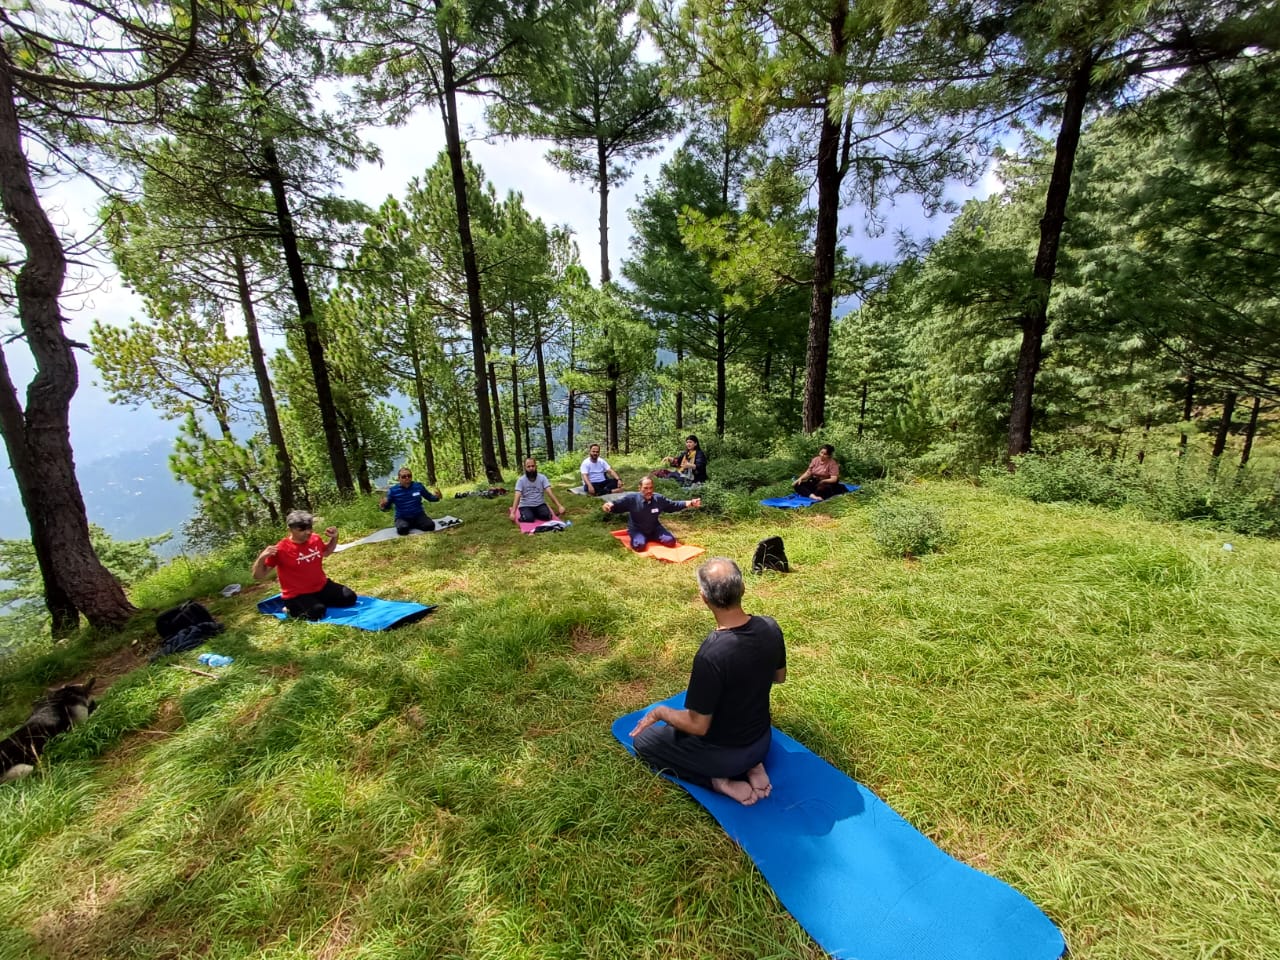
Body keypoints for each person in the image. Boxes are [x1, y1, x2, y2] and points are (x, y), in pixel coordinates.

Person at [630, 557, 786, 806]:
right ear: (742, 588)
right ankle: (754, 765)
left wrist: (660, 712)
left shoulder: (711, 655)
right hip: (761, 742)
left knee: (644, 742)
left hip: (725, 759)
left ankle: (719, 782)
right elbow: (779, 677)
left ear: (704, 597)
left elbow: (698, 726)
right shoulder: (770, 626)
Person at [252, 510, 357, 620]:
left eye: (309, 527)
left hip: (321, 586)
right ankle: (289, 609)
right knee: (318, 612)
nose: (307, 532)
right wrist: (261, 558)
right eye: (301, 529)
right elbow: (258, 576)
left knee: (350, 597)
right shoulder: (281, 549)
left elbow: (326, 552)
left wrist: (334, 537)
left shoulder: (315, 539)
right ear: (290, 529)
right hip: (297, 594)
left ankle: (315, 602)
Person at [603, 475, 701, 549]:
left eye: (651, 488)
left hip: (654, 528)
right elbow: (618, 505)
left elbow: (673, 505)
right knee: (639, 546)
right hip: (637, 529)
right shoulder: (632, 498)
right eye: (645, 488)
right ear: (639, 488)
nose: (649, 491)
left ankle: (651, 537)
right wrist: (609, 506)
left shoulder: (658, 498)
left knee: (671, 542)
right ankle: (642, 538)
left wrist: (691, 503)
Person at [380, 466, 442, 535]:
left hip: (419, 515)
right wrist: (383, 506)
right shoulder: (393, 491)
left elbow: (429, 497)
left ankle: (415, 524)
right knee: (403, 530)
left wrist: (437, 497)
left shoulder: (418, 486)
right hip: (402, 517)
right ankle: (407, 525)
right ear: (399, 478)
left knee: (430, 526)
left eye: (409, 476)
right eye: (404, 476)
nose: (407, 478)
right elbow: (387, 508)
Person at [511, 457, 567, 522]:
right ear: (525, 468)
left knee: (547, 517)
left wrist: (559, 506)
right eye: (528, 466)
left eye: (533, 466)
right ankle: (530, 514)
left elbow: (549, 493)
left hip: (540, 504)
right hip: (525, 505)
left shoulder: (542, 478)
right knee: (529, 519)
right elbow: (517, 496)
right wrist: (513, 512)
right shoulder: (521, 480)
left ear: (536, 466)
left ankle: (536, 513)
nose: (531, 468)